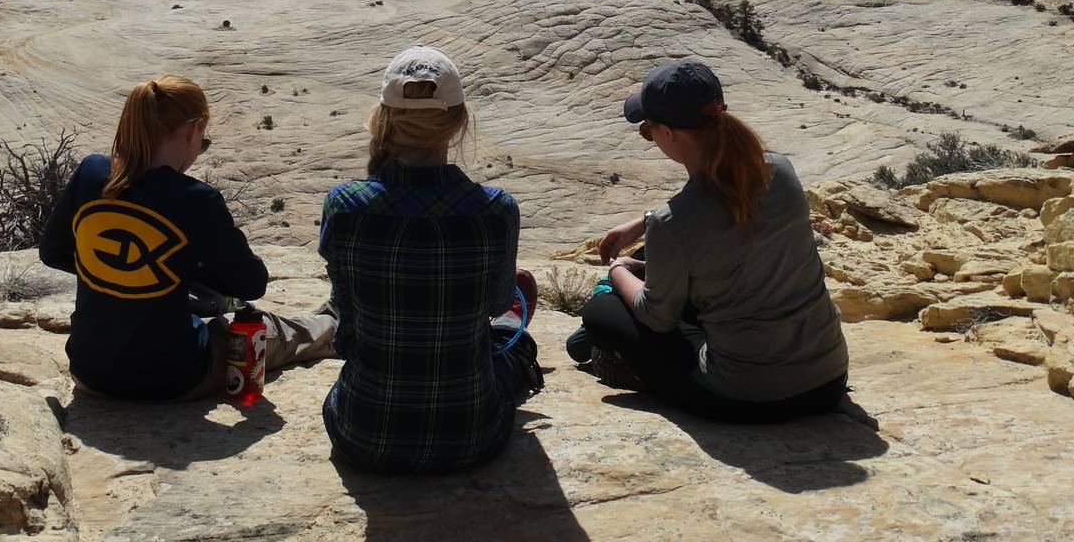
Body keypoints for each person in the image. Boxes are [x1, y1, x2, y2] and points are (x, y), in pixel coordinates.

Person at [571, 60, 849, 421]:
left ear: (669, 133)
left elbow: (655, 318)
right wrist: (644, 223)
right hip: (827, 380)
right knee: (653, 259)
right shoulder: (780, 169)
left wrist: (618, 269)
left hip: (743, 396)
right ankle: (593, 346)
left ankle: (603, 351)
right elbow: (718, 215)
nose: (650, 137)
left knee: (601, 309)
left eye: (647, 129)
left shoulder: (674, 224)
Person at [38, 73, 336, 401]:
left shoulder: (90, 173)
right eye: (202, 140)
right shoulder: (195, 198)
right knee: (269, 330)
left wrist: (125, 280)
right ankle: (335, 327)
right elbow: (252, 284)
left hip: (90, 371)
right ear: (192, 129)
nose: (199, 149)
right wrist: (182, 272)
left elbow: (53, 252)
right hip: (173, 378)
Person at [319, 47, 544, 473]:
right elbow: (494, 302)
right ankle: (519, 330)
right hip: (470, 436)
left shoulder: (344, 204)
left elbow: (345, 308)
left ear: (384, 119)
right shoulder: (496, 211)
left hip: (362, 432)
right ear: (459, 122)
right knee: (506, 343)